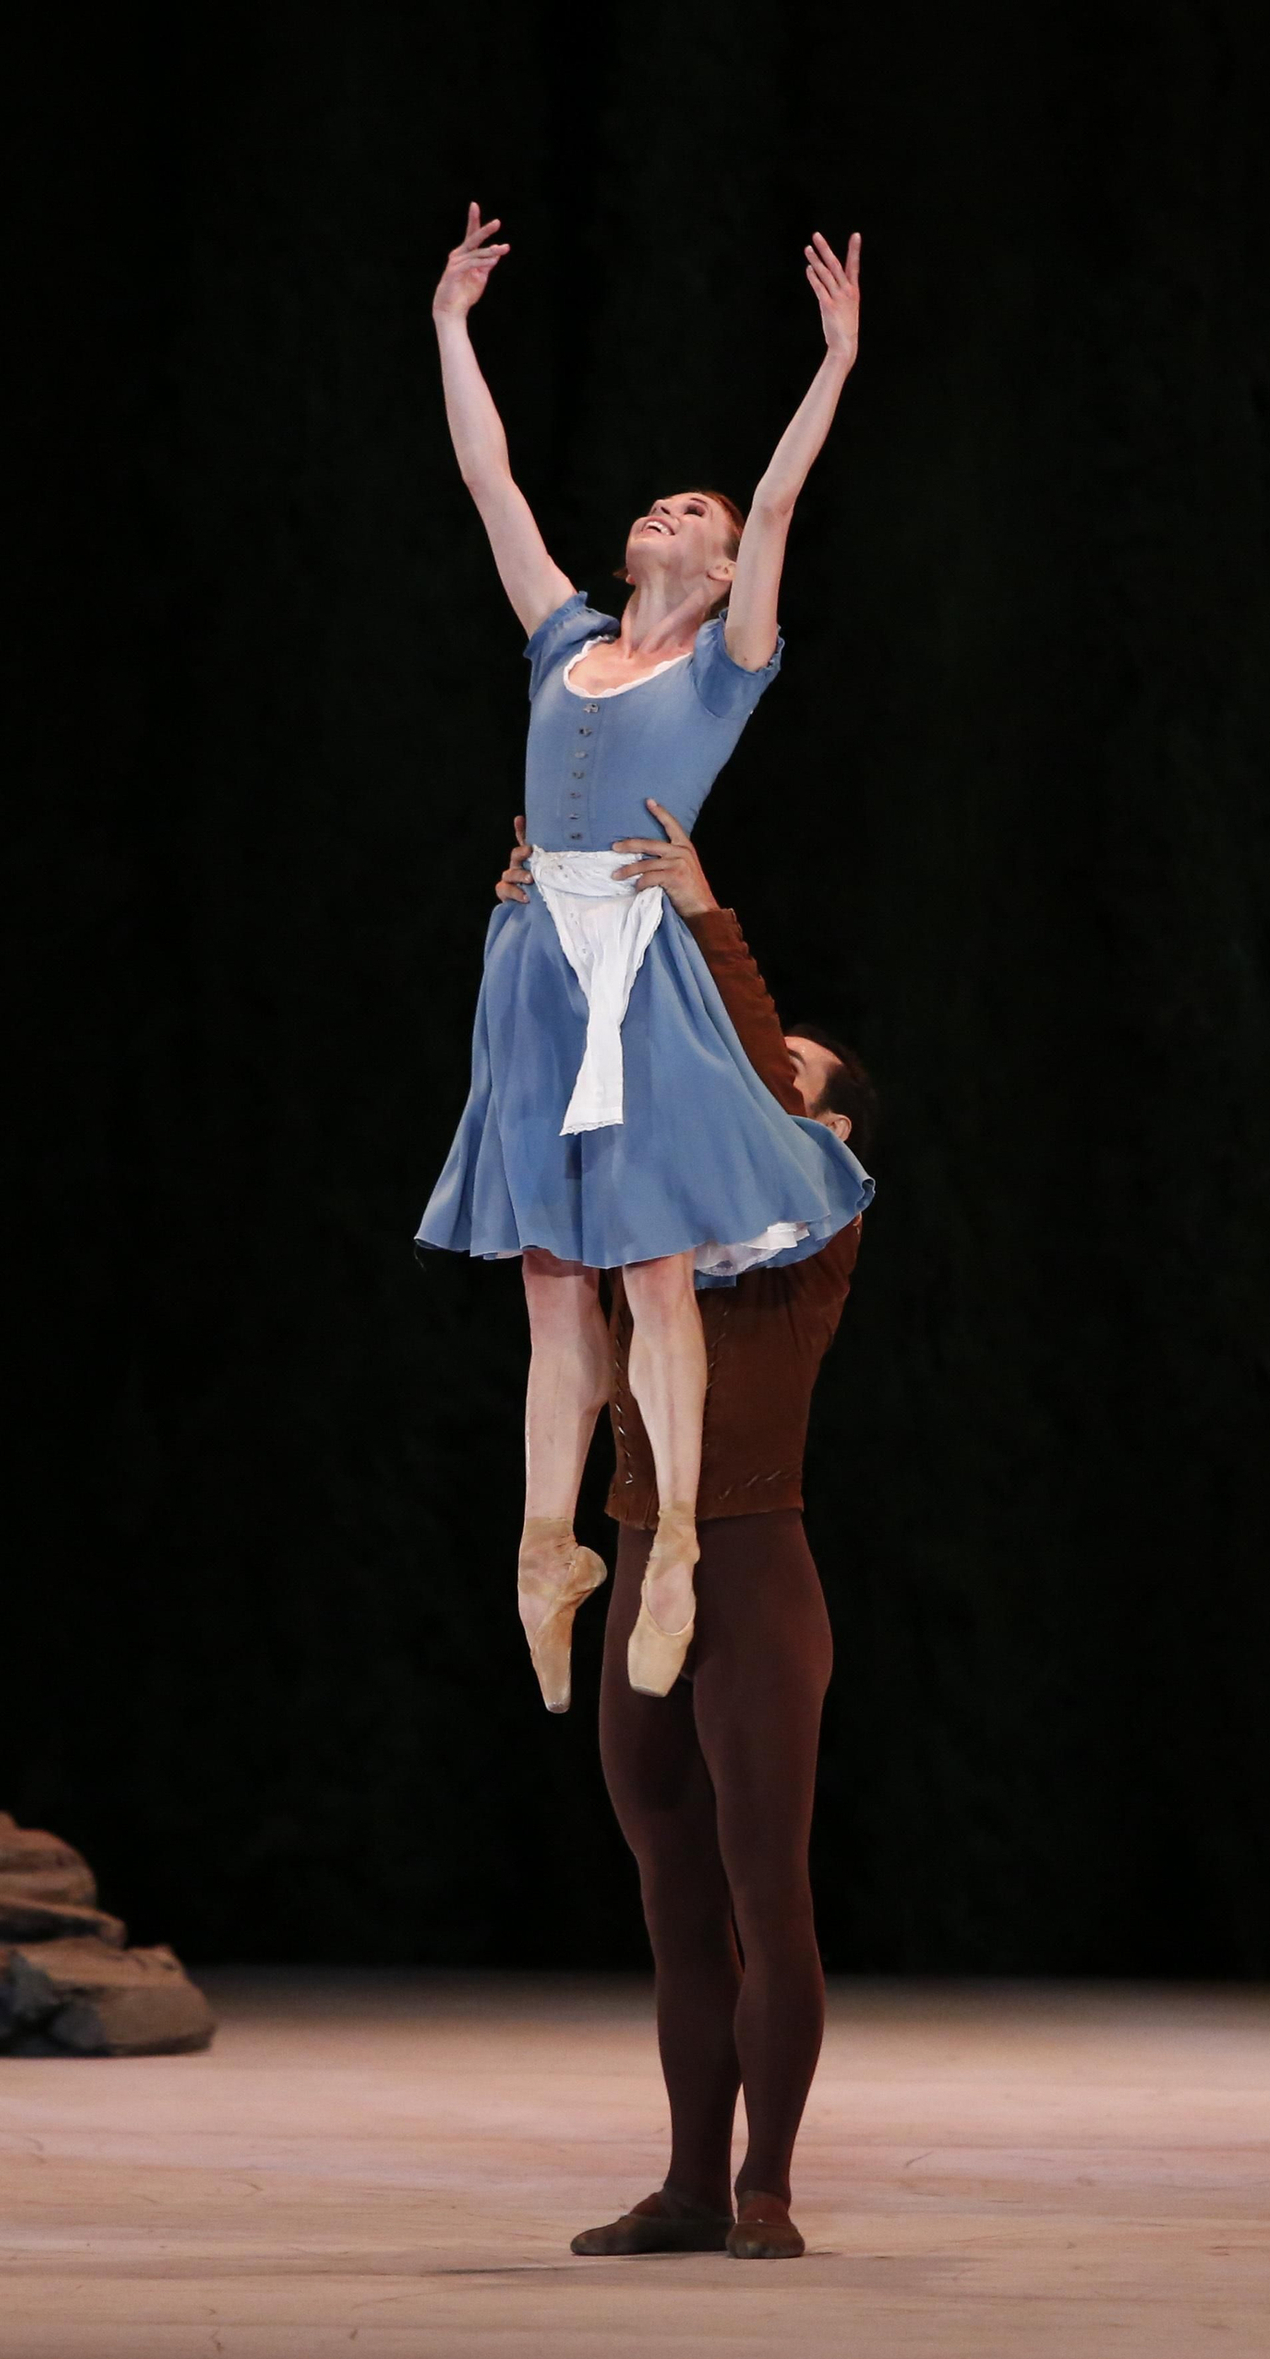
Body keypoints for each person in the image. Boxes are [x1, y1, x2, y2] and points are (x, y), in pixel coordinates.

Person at [417, 203, 872, 1709]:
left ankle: (672, 1545)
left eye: (694, 515)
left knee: (655, 1266)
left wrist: (835, 360)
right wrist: (451, 327)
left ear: (726, 568)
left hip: (637, 964)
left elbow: (780, 503)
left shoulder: (725, 671)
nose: (667, 515)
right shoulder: (564, 640)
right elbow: (488, 482)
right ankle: (547, 1547)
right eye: (660, 504)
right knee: (553, 1279)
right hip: (532, 956)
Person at [494, 813, 873, 2263]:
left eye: (793, 1080)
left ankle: (766, 2184)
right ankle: (689, 2185)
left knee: (766, 1888)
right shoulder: (654, 1228)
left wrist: (707, 917)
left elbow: (746, 1068)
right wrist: (544, 924)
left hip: (755, 1575)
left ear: (831, 1131)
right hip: (647, 1561)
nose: (759, 1081)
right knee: (672, 1894)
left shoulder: (817, 1218)